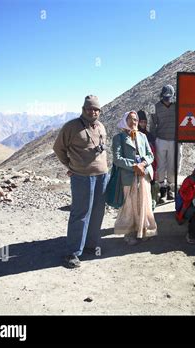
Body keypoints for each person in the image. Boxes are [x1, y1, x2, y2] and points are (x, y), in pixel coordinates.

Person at [53, 95, 109, 268]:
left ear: (99, 111)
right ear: (83, 109)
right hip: (82, 177)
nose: (93, 112)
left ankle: (91, 245)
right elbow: (58, 148)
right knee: (80, 213)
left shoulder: (100, 126)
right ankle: (73, 253)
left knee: (98, 212)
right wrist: (69, 165)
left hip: (101, 176)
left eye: (96, 109)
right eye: (90, 109)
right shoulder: (72, 127)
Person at [112, 111, 157, 245]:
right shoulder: (119, 138)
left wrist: (143, 164)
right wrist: (134, 166)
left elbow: (150, 155)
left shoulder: (142, 136)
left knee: (144, 203)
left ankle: (144, 230)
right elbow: (117, 159)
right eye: (130, 119)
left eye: (136, 119)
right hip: (128, 176)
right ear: (125, 120)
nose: (134, 122)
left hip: (143, 175)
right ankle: (129, 232)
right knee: (130, 205)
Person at [152, 85, 181, 203]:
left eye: (169, 97)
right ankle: (162, 190)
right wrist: (153, 140)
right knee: (160, 166)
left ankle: (170, 189)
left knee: (173, 166)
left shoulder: (178, 106)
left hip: (175, 140)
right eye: (165, 97)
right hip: (161, 139)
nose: (167, 99)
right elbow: (153, 124)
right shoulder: (156, 107)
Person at [137, 109, 158, 209]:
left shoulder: (149, 135)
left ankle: (151, 204)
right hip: (138, 165)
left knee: (151, 184)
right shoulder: (133, 135)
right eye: (141, 122)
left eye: (145, 122)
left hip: (150, 164)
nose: (143, 124)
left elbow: (154, 151)